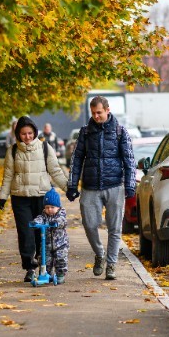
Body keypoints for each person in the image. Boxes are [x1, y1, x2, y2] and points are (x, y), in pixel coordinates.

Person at [67, 96, 135, 280]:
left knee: (115, 228)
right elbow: (77, 159)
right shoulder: (85, 132)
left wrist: (130, 185)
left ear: (107, 110)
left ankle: (111, 265)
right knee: (89, 224)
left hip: (115, 186)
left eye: (99, 112)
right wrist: (72, 184)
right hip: (90, 186)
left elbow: (129, 160)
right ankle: (99, 254)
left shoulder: (120, 132)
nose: (96, 116)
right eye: (93, 113)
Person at [0, 115, 70, 283]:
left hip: (41, 198)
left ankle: (43, 267)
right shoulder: (13, 151)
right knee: (25, 234)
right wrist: (3, 197)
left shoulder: (45, 148)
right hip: (20, 198)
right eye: (23, 134)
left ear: (35, 132)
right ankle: (29, 268)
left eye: (30, 133)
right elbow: (8, 176)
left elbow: (56, 171)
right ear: (18, 134)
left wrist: (68, 189)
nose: (27, 137)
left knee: (41, 234)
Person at [30, 188, 69, 284]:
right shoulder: (44, 215)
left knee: (61, 259)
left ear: (58, 207)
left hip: (60, 244)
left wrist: (55, 222)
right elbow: (40, 219)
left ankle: (60, 275)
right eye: (47, 207)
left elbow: (62, 221)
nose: (49, 210)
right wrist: (35, 223)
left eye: (52, 207)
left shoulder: (61, 214)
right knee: (44, 259)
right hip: (46, 244)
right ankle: (45, 273)